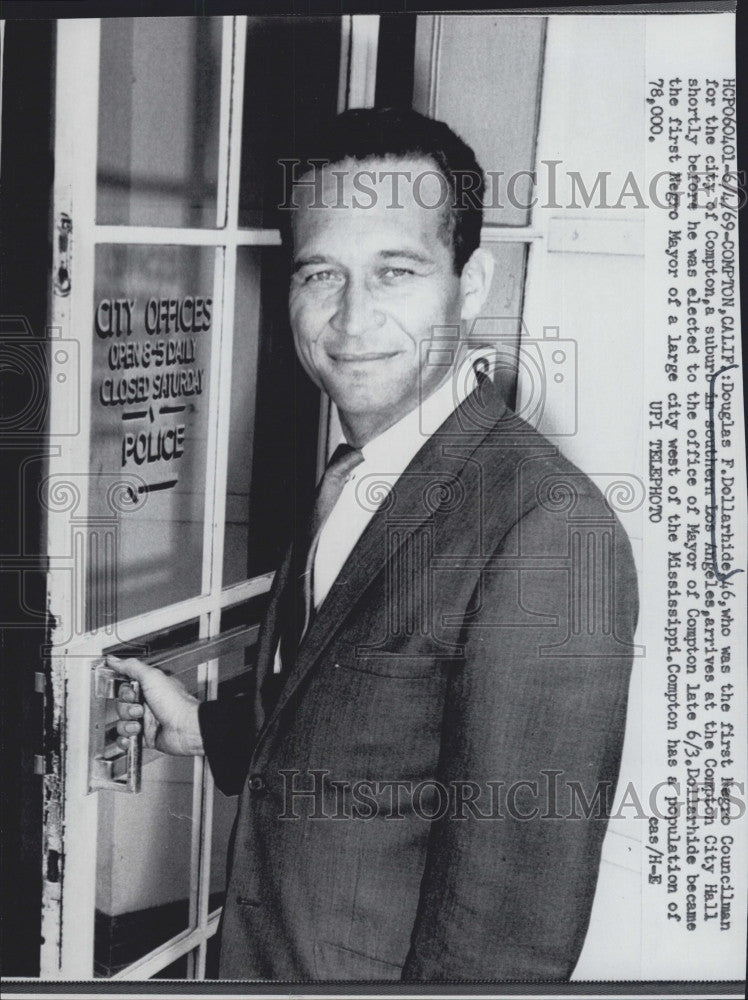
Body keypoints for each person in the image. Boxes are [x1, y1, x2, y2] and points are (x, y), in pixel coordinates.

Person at [111, 108, 639, 981]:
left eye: (396, 271)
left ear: (471, 284)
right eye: (321, 273)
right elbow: (366, 713)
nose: (351, 319)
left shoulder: (548, 528)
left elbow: (512, 931)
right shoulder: (358, 469)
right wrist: (209, 731)